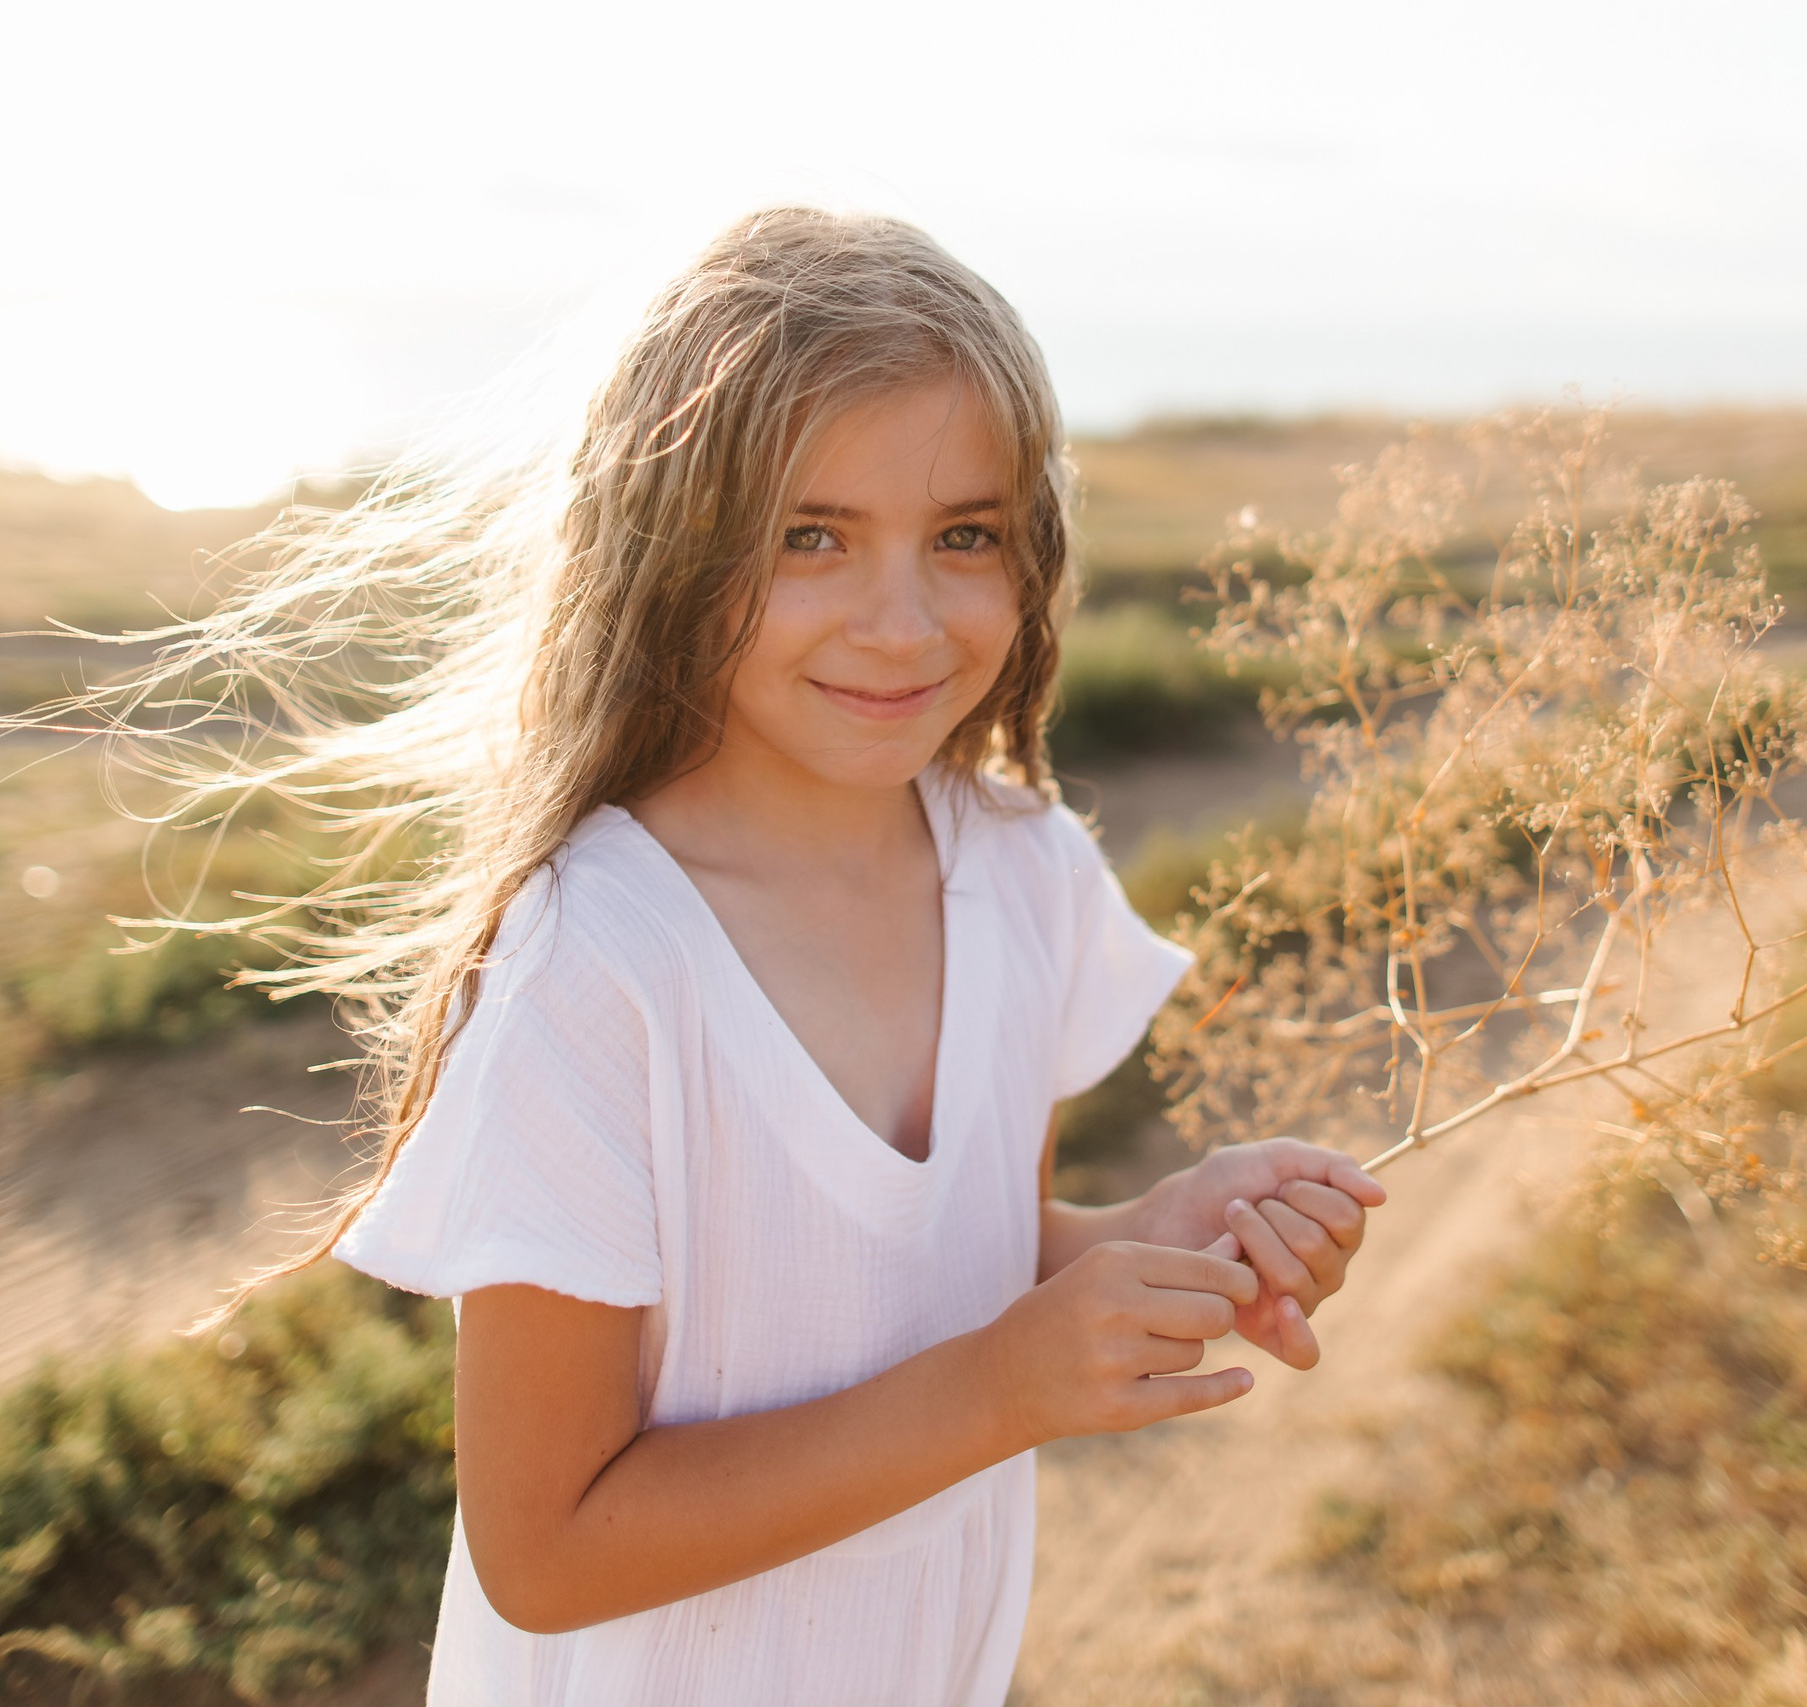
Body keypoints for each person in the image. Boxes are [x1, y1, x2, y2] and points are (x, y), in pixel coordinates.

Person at [218, 207, 1386, 1704]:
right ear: (665, 549)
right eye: (809, 538)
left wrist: (1164, 1237)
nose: (900, 622)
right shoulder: (601, 961)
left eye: (965, 535)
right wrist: (1002, 1388)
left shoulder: (1021, 870)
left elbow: (960, 1263)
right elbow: (549, 1547)